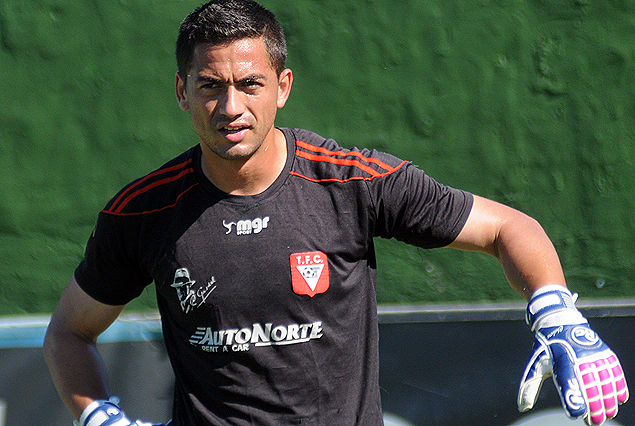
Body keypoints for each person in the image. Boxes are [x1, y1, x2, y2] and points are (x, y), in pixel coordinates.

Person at [43, 1, 629, 425]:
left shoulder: (349, 181)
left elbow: (508, 227)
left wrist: (559, 317)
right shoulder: (144, 211)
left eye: (250, 84)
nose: (231, 106)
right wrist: (99, 417)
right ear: (181, 91)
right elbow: (69, 333)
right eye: (209, 86)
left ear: (283, 86)